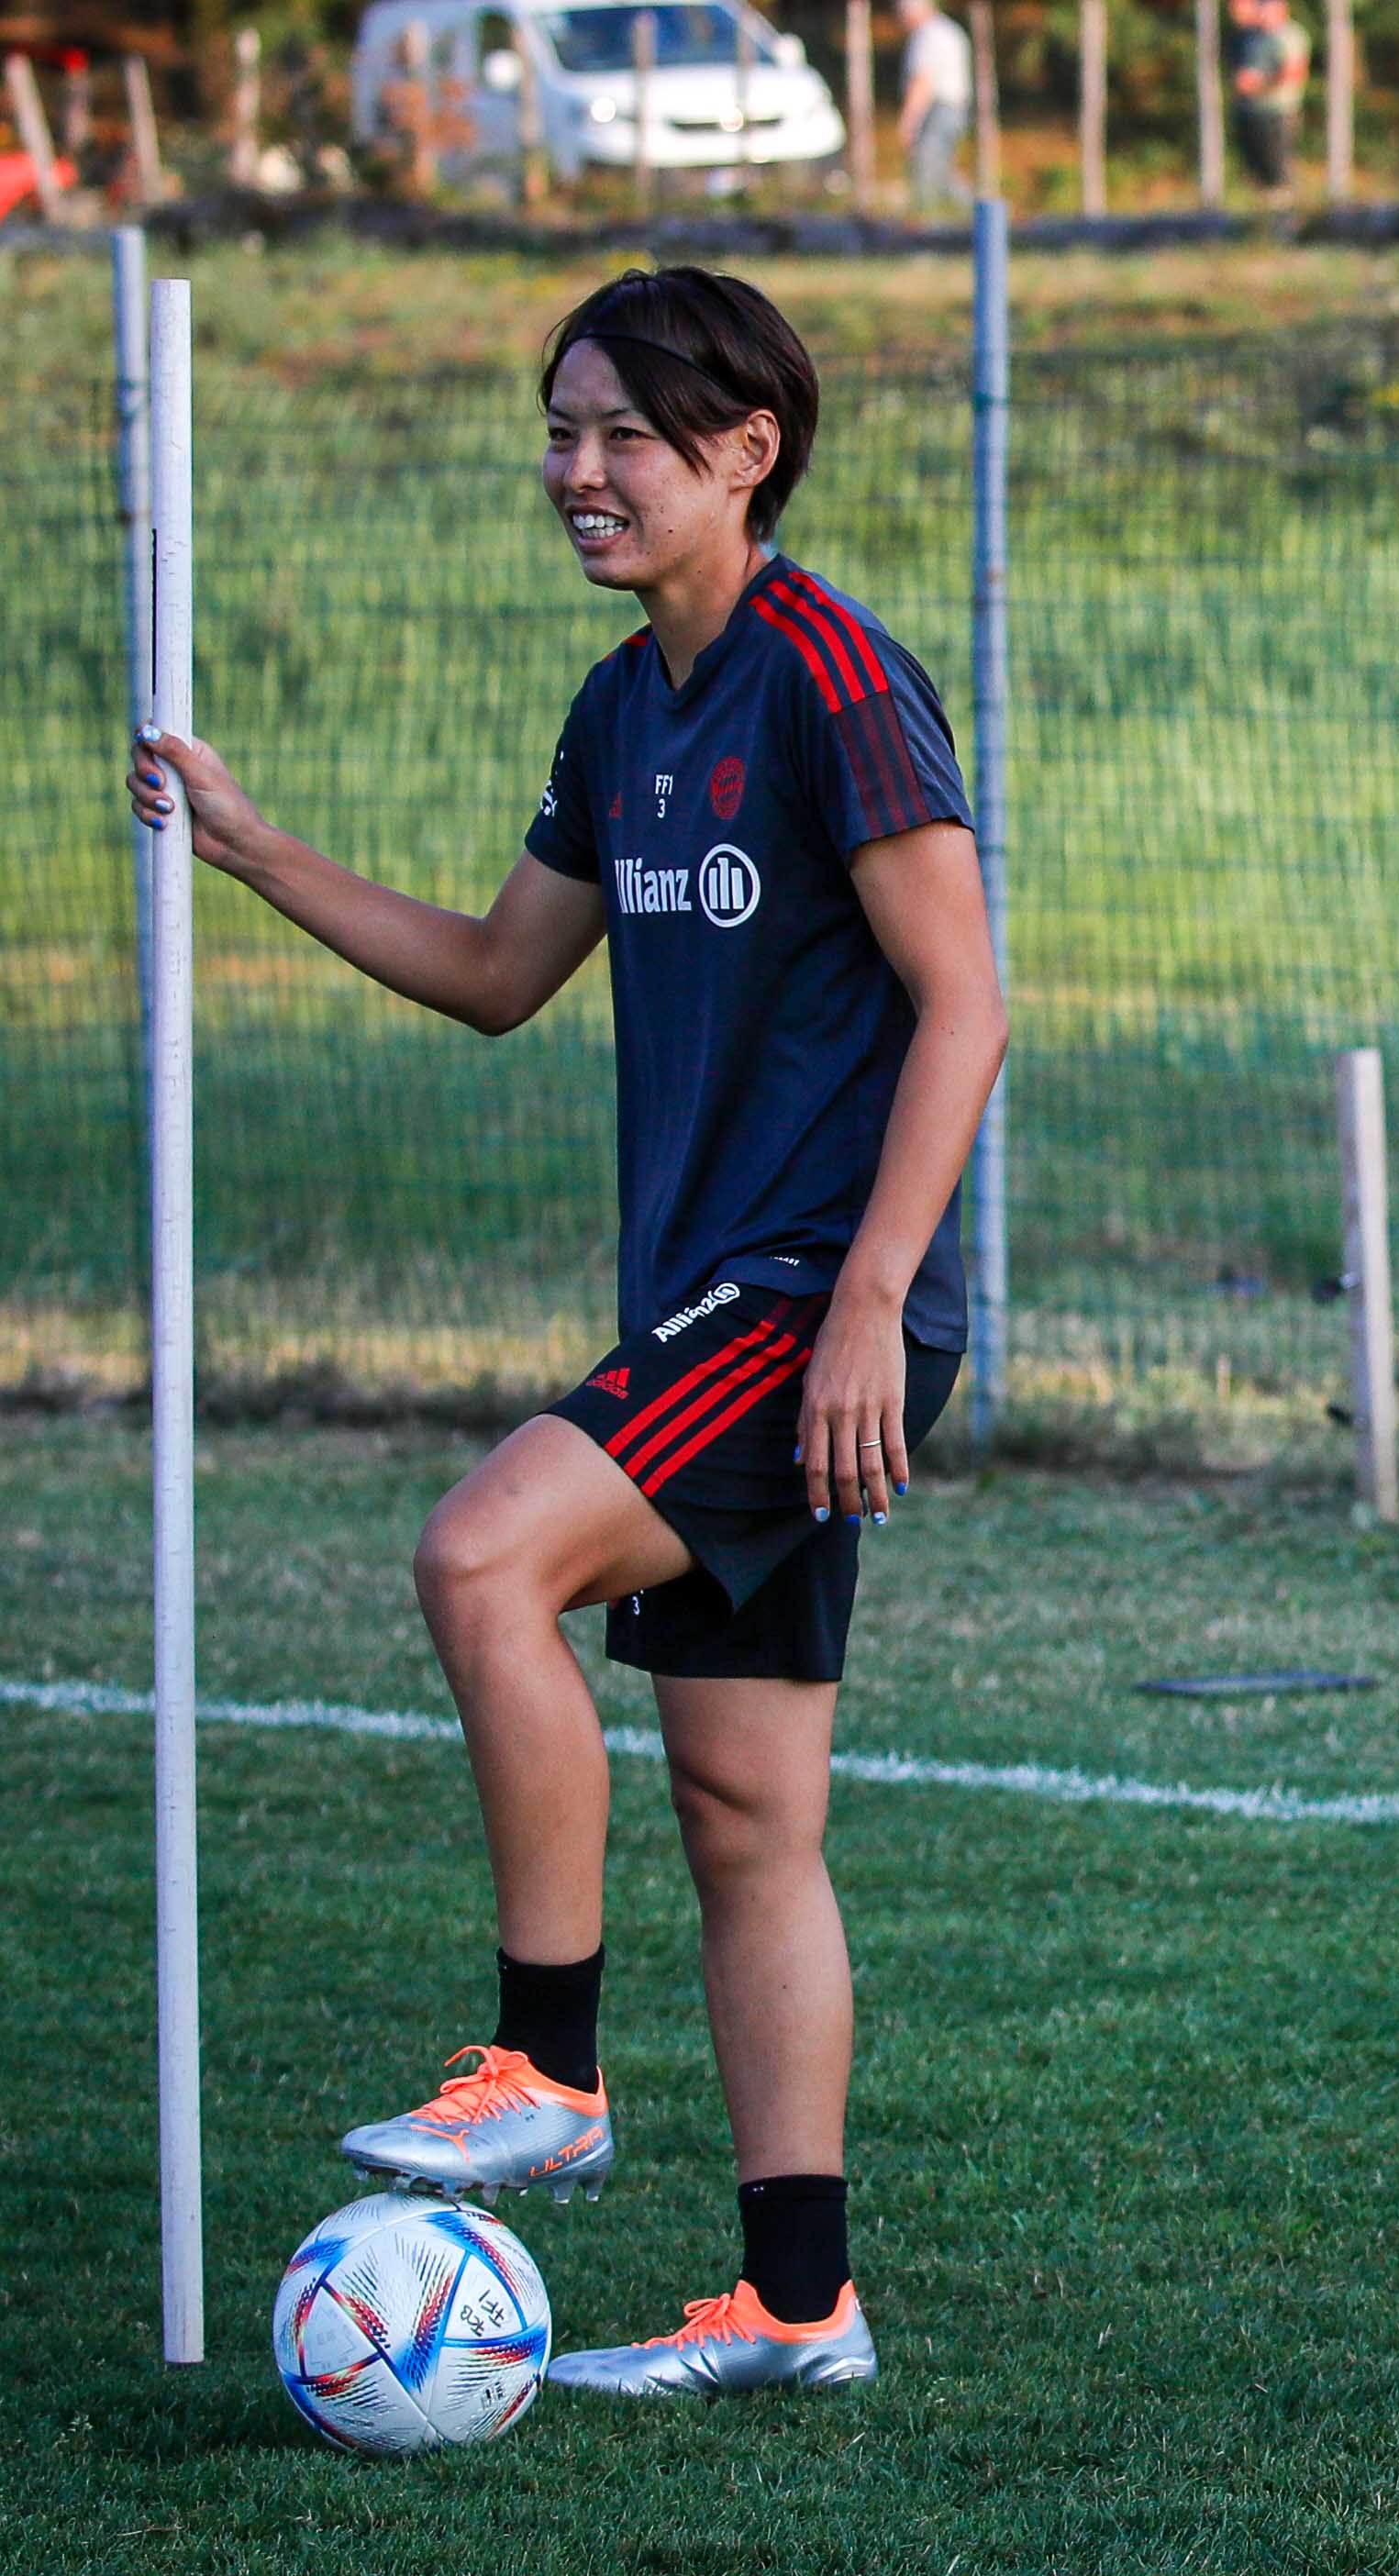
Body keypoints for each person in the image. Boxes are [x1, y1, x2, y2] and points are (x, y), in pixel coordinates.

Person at [128, 266, 1002, 2401]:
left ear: (747, 454)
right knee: (741, 1808)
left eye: (621, 435)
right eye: (558, 430)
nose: (577, 473)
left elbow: (964, 995)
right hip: (719, 1300)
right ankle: (800, 2305)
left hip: (809, 1297)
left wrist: (877, 1298)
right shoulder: (626, 714)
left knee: (478, 1553)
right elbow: (500, 969)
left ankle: (549, 2062)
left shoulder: (829, 676)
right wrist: (250, 851)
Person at [894, 0, 972, 211]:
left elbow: (923, 81)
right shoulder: (950, 30)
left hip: (937, 109)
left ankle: (928, 218)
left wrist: (909, 120)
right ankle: (966, 213)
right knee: (944, 168)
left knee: (926, 166)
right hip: (956, 108)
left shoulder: (927, 36)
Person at [1224, 0, 1306, 194]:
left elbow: (1295, 72)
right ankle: (1264, 218)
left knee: (1278, 173)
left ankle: (1284, 218)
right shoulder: (1252, 36)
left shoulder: (1289, 35)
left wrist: (1258, 83)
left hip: (1279, 113)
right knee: (1256, 174)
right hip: (1251, 111)